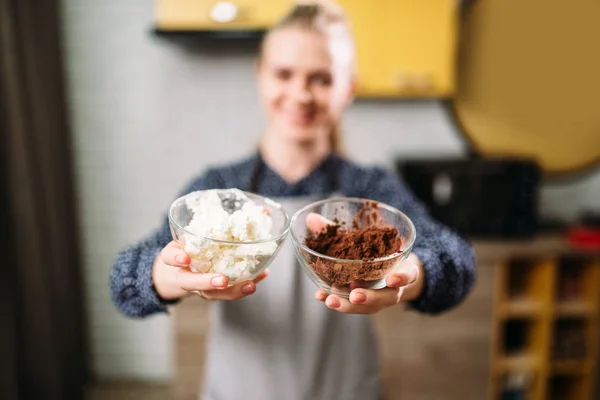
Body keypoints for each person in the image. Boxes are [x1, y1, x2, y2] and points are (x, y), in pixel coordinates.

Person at [110, 2, 476, 399]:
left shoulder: (368, 190)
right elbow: (124, 285)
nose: (300, 94)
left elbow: (456, 259)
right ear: (260, 77)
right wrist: (168, 276)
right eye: (284, 74)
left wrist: (411, 275)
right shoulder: (219, 190)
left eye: (321, 78)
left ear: (348, 87)